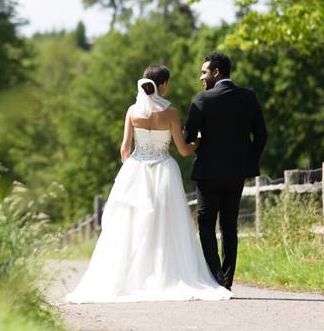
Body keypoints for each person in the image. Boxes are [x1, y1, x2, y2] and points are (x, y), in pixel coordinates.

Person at [65, 64, 232, 303]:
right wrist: (198, 142)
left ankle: (133, 276)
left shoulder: (133, 111)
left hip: (137, 169)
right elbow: (184, 150)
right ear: (162, 84)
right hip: (164, 169)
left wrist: (132, 169)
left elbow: (124, 148)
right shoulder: (171, 113)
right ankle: (164, 273)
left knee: (133, 225)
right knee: (167, 224)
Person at [183, 51, 267, 290]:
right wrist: (248, 162)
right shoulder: (248, 97)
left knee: (206, 224)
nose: (201, 77)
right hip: (237, 174)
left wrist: (196, 137)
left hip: (208, 174)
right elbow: (261, 135)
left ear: (216, 72)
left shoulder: (202, 100)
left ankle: (216, 277)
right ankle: (227, 281)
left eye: (204, 72)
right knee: (230, 225)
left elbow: (188, 137)